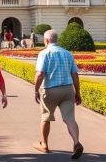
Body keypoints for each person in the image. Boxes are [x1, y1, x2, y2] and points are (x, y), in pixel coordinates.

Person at [32, 29, 83, 159]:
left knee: (46, 117)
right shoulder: (67, 53)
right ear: (57, 40)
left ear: (46, 40)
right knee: (69, 118)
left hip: (50, 89)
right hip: (67, 89)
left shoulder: (44, 53)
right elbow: (75, 75)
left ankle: (44, 144)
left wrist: (36, 89)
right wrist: (77, 92)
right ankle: (76, 142)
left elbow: (40, 74)